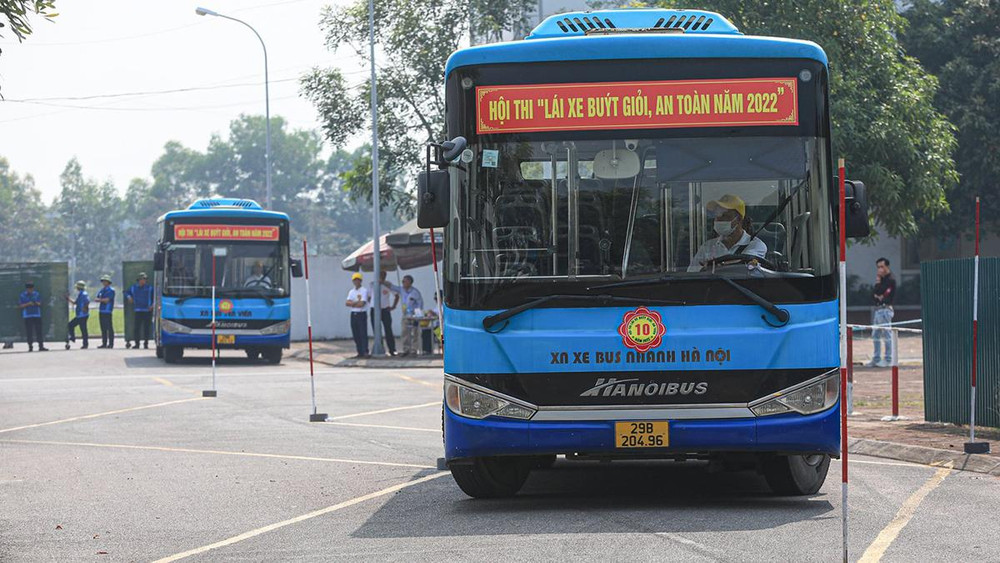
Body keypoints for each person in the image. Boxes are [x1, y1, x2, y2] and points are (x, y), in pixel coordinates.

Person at [687, 194, 767, 272]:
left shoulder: (755, 245)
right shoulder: (707, 246)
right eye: (717, 216)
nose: (719, 220)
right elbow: (692, 272)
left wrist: (713, 266)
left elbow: (745, 262)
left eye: (725, 216)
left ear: (739, 219)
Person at [384, 275, 423, 356]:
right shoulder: (401, 290)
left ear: (409, 282)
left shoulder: (415, 292)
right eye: (402, 281)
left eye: (404, 281)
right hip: (405, 315)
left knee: (415, 333)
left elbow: (420, 304)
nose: (403, 283)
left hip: (413, 315)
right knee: (405, 332)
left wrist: (417, 315)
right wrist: (383, 281)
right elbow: (392, 286)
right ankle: (406, 349)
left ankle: (414, 350)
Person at [868, 257, 896, 367]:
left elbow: (884, 294)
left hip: (885, 309)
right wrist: (878, 284)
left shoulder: (891, 280)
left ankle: (888, 358)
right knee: (875, 334)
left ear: (887, 267)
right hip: (878, 309)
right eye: (878, 267)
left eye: (882, 267)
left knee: (886, 334)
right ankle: (876, 358)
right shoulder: (880, 280)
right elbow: (874, 294)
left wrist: (879, 295)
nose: (880, 269)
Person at [369, 270, 398, 356]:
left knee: (388, 329)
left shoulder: (388, 285)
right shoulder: (372, 284)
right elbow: (369, 296)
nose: (382, 277)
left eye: (383, 275)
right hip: (374, 309)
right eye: (380, 275)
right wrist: (372, 304)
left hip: (385, 309)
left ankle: (392, 349)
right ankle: (380, 348)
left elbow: (396, 295)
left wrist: (393, 306)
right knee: (376, 330)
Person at [125, 272, 154, 350]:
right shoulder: (133, 288)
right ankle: (137, 344)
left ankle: (146, 344)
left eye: (144, 279)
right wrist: (129, 297)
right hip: (138, 310)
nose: (143, 281)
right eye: (141, 279)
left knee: (146, 328)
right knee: (137, 328)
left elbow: (155, 297)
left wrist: (152, 305)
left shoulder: (150, 288)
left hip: (147, 310)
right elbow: (126, 292)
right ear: (138, 280)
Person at [18, 281, 48, 351]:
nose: (30, 290)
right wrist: (28, 304)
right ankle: (30, 346)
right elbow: (21, 305)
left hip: (37, 315)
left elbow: (40, 303)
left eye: (31, 289)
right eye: (29, 289)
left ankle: (41, 346)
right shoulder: (22, 295)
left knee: (39, 331)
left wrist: (36, 303)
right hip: (27, 315)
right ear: (26, 289)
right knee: (29, 332)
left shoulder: (36, 294)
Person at [345, 272, 370, 357]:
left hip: (361, 313)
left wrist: (353, 303)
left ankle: (365, 351)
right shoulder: (351, 291)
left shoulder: (364, 290)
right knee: (355, 333)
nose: (356, 282)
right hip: (353, 313)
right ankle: (359, 351)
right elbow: (347, 303)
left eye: (357, 280)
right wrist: (355, 303)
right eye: (354, 280)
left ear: (360, 281)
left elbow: (362, 304)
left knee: (362, 333)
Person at [66, 280, 90, 349]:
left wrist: (85, 308)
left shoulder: (84, 294)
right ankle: (73, 337)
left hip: (82, 315)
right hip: (79, 315)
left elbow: (87, 301)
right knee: (71, 325)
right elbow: (75, 303)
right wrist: (68, 299)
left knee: (83, 329)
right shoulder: (80, 294)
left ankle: (85, 344)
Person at [95, 274, 116, 349]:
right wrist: (101, 300)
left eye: (105, 281)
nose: (103, 282)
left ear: (108, 282)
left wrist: (100, 300)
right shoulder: (102, 290)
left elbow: (107, 300)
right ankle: (104, 343)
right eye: (103, 281)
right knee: (103, 328)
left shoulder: (111, 290)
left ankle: (111, 343)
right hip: (101, 310)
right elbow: (96, 298)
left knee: (109, 328)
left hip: (108, 311)